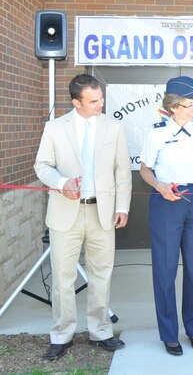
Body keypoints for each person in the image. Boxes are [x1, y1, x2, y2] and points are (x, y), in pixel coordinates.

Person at [34, 74, 132, 361]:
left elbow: (122, 171)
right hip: (65, 214)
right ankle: (61, 335)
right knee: (63, 278)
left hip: (103, 213)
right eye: (93, 100)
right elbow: (42, 165)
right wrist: (62, 182)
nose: (101, 103)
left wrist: (122, 207)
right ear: (76, 102)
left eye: (101, 97)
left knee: (101, 274)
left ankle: (100, 331)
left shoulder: (114, 127)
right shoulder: (54, 128)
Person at [139, 76, 193, 356]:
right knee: (164, 271)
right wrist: (160, 187)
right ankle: (168, 334)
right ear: (173, 106)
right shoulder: (156, 134)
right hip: (166, 201)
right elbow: (145, 170)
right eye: (189, 105)